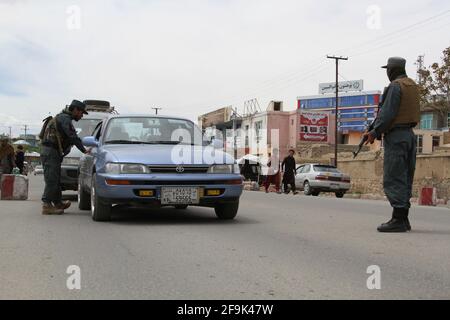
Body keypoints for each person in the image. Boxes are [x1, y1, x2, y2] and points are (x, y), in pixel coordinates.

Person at [363, 57, 420, 233]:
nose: (387, 72)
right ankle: (404, 218)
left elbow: (387, 114)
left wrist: (374, 132)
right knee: (404, 177)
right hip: (410, 136)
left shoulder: (396, 86)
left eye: (388, 69)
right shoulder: (412, 85)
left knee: (394, 177)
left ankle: (398, 220)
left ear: (392, 70)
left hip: (396, 137)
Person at [40, 100, 89, 215]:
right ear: (76, 110)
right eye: (81, 113)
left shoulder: (63, 118)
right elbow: (72, 136)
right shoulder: (65, 119)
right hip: (50, 151)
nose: (81, 116)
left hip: (54, 152)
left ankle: (57, 203)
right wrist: (84, 150)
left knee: (56, 179)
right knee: (52, 179)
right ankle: (46, 205)